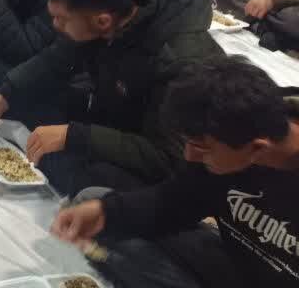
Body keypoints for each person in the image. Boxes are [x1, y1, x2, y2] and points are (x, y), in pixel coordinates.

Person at [0, 0, 222, 196]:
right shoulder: (111, 11)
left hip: (160, 155)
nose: (55, 26)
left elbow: (167, 158)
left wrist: (74, 136)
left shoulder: (179, 59)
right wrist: (2, 98)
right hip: (108, 113)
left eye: (61, 19)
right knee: (1, 85)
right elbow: (55, 59)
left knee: (92, 179)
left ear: (103, 21)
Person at [50, 56, 296, 288]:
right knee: (95, 202)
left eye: (202, 148)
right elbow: (176, 201)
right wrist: (105, 213)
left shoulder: (242, 137)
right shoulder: (233, 134)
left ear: (257, 148)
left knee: (126, 255)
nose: (189, 156)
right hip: (235, 262)